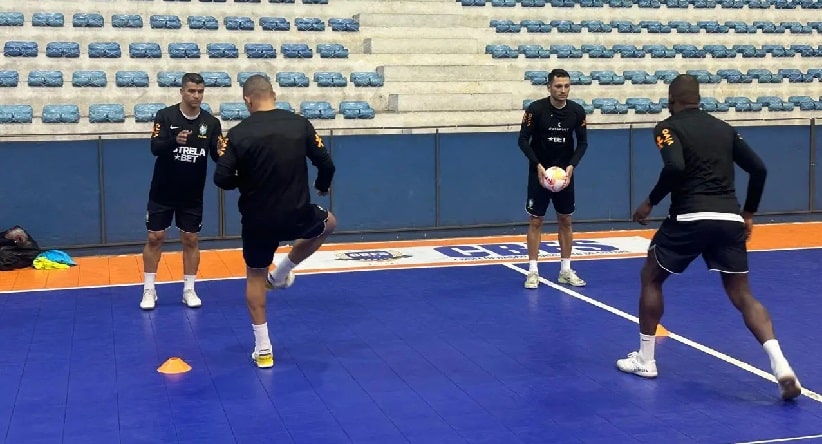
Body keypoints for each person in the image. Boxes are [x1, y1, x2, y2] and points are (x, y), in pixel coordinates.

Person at [616, 74, 801, 401]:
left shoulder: (668, 127)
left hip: (689, 216)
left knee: (651, 276)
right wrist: (749, 213)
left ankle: (646, 359)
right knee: (742, 294)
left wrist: (649, 202)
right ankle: (781, 364)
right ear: (698, 99)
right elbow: (758, 169)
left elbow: (674, 167)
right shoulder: (725, 129)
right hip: (729, 218)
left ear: (671, 100)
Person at [214, 75, 337, 369]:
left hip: (258, 219)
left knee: (255, 276)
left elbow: (221, 178)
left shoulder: (238, 134)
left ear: (247, 100)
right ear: (274, 94)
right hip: (296, 213)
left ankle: (264, 349)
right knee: (328, 222)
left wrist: (242, 181)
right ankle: (282, 273)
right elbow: (326, 163)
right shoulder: (299, 124)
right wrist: (322, 184)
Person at [140, 73, 223, 311]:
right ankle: (149, 289)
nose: (196, 95)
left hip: (192, 194)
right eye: (191, 91)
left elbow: (218, 155)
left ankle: (189, 289)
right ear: (182, 92)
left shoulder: (211, 123)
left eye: (200, 91)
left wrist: (230, 156)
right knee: (155, 238)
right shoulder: (165, 116)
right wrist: (174, 141)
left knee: (191, 239)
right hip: (162, 190)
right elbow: (155, 147)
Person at [518, 68, 588, 289]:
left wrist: (571, 167)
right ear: (549, 87)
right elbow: (522, 140)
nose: (563, 90)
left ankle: (565, 270)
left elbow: (583, 142)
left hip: (564, 177)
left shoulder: (577, 112)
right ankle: (532, 271)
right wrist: (538, 166)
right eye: (558, 86)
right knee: (536, 221)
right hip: (540, 175)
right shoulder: (536, 110)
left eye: (567, 86)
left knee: (565, 220)